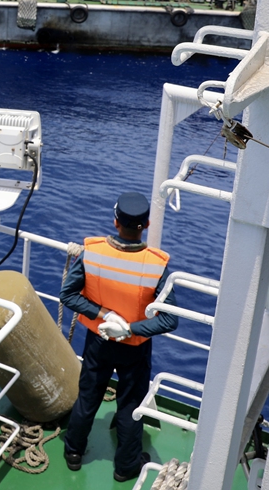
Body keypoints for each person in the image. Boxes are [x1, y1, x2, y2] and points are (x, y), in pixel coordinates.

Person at [60, 192, 178, 482]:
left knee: (88, 397)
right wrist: (130, 329)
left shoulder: (94, 251)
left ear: (116, 222)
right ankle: (126, 468)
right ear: (146, 224)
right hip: (134, 349)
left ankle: (74, 452)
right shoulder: (157, 265)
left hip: (98, 342)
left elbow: (68, 295)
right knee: (129, 406)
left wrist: (103, 314)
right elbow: (170, 319)